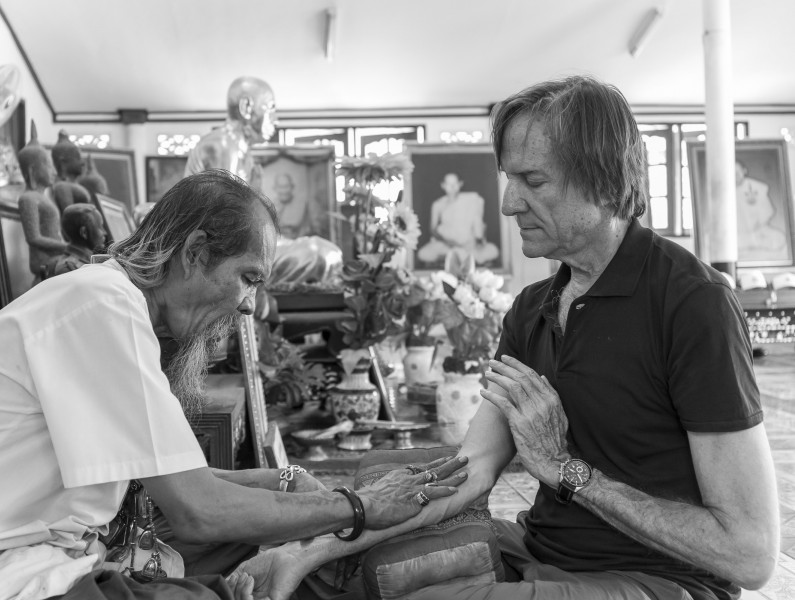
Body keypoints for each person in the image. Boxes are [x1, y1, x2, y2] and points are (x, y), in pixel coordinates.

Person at [229, 76, 779, 600]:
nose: (509, 203)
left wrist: (567, 471)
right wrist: (307, 553)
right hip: (535, 551)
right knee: (332, 575)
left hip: (655, 580)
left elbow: (750, 554)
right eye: (510, 180)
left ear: (605, 180)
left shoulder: (692, 303)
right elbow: (469, 474)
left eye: (533, 182)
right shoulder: (531, 309)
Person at [0, 169, 467, 600]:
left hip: (26, 546)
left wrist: (286, 480)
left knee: (255, 550)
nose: (249, 306)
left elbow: (173, 481)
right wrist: (359, 506)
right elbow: (197, 508)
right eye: (247, 277)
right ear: (194, 253)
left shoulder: (110, 301)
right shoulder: (99, 305)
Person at [184, 76, 277, 185]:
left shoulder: (242, 150)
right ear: (246, 106)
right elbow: (227, 196)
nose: (275, 121)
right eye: (270, 110)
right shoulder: (223, 145)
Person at [17, 122, 68, 287]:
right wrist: (67, 247)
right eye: (49, 165)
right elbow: (33, 238)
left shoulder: (44, 198)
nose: (54, 171)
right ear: (32, 170)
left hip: (57, 261)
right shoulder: (28, 199)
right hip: (46, 266)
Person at [416, 173, 500, 266]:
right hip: (446, 244)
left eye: (455, 184)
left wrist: (479, 240)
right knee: (423, 254)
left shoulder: (471, 199)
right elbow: (433, 229)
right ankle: (460, 258)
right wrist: (449, 242)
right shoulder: (438, 204)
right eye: (449, 184)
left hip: (468, 245)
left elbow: (478, 222)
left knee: (493, 251)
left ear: (460, 184)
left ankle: (451, 259)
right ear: (443, 185)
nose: (452, 187)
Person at [735, 159, 788, 262]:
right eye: (732, 173)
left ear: (744, 171)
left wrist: (758, 224)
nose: (735, 175)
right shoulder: (725, 190)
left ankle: (750, 245)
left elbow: (768, 210)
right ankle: (749, 244)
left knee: (779, 238)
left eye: (737, 172)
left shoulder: (757, 187)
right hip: (739, 233)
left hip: (759, 231)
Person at [44, 204, 108, 277]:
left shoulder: (88, 261)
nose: (105, 232)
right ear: (84, 233)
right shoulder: (70, 268)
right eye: (100, 227)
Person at [51, 130, 94, 213]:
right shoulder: (62, 186)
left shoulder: (71, 185)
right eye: (78, 158)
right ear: (63, 163)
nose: (82, 163)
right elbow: (70, 214)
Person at [270, 172, 317, 238]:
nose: (284, 191)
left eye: (286, 186)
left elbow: (309, 228)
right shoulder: (270, 206)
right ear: (275, 188)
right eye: (280, 187)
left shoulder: (302, 204)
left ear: (292, 187)